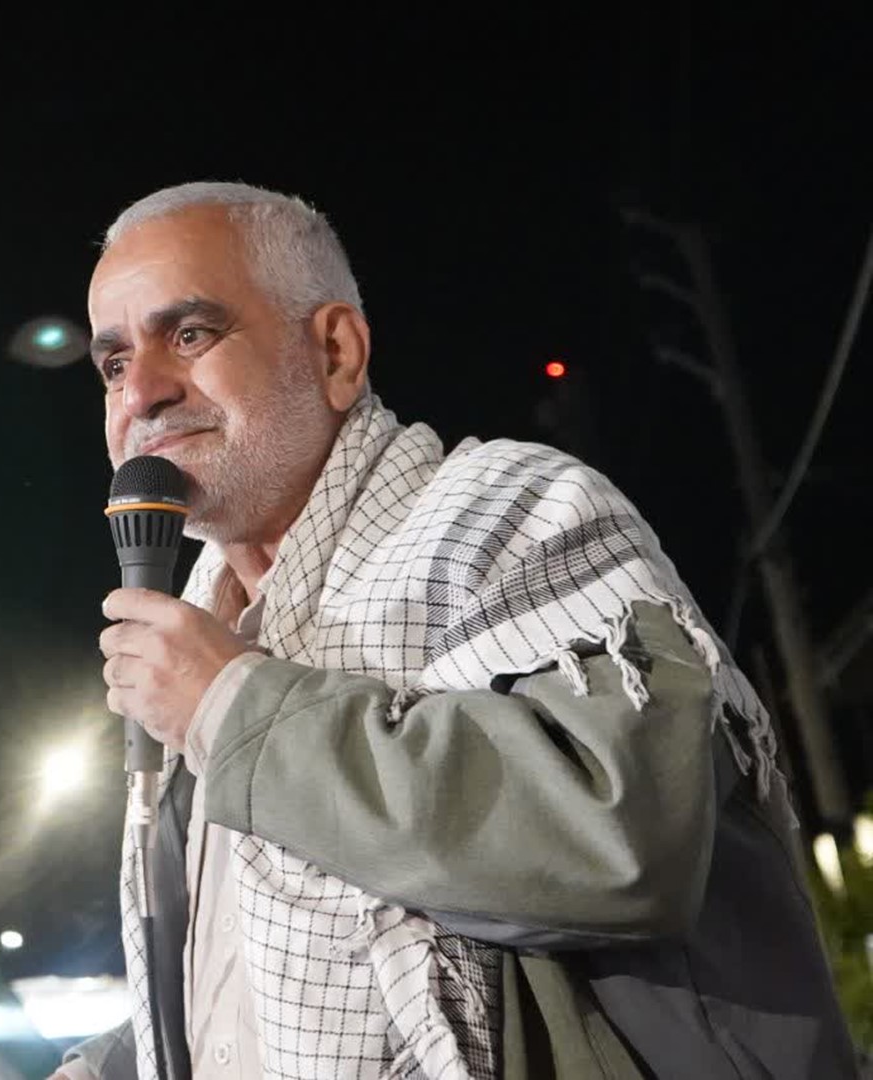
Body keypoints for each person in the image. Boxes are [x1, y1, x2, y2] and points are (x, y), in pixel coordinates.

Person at [52, 182, 856, 1080]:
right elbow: (251, 979)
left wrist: (235, 709)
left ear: (335, 351)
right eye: (113, 364)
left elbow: (622, 835)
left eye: (190, 335)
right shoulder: (205, 634)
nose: (143, 392)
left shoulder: (513, 514)